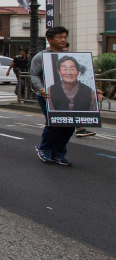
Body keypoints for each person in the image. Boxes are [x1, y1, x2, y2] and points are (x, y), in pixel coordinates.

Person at [31, 26, 103, 166]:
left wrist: (94, 91)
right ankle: (44, 149)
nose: (63, 40)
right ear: (49, 39)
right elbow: (34, 74)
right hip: (49, 96)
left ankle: (59, 153)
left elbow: (84, 79)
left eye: (65, 37)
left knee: (69, 126)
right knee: (54, 124)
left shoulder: (71, 57)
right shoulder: (41, 57)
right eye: (60, 37)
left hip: (71, 96)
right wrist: (41, 89)